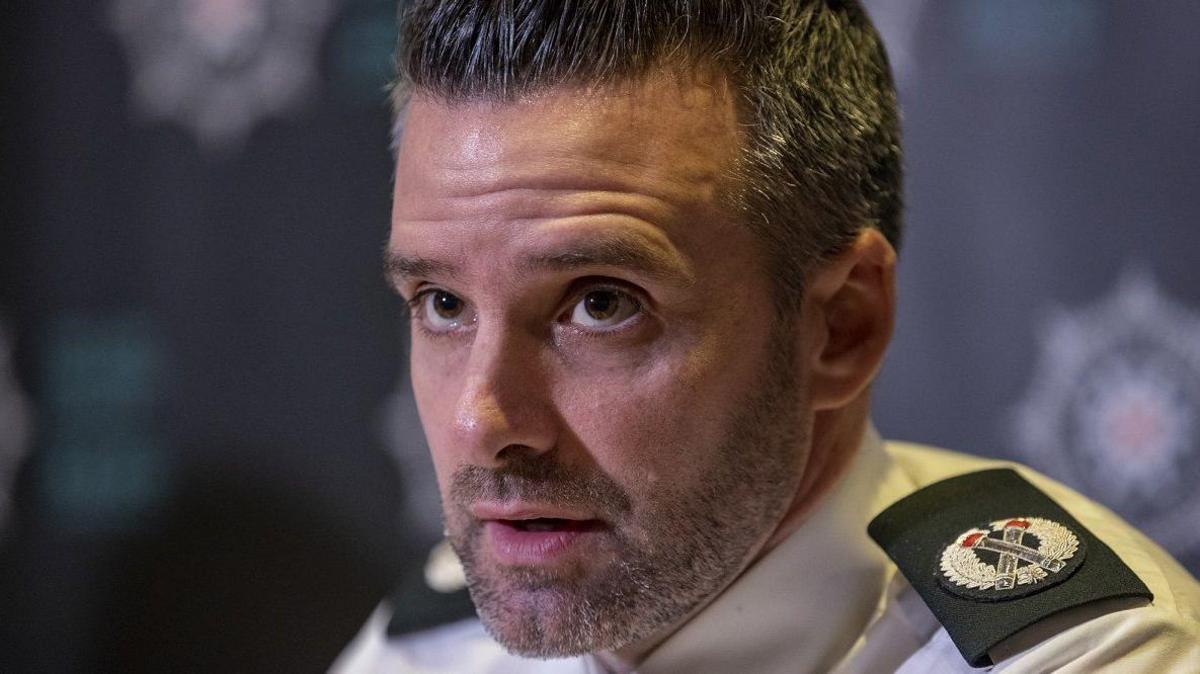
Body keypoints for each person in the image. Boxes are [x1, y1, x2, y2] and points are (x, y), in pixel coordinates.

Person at [335, 1, 1200, 671]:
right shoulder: (429, 649)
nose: (482, 423)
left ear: (840, 327)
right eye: (442, 303)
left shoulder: (1078, 653)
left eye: (601, 304)